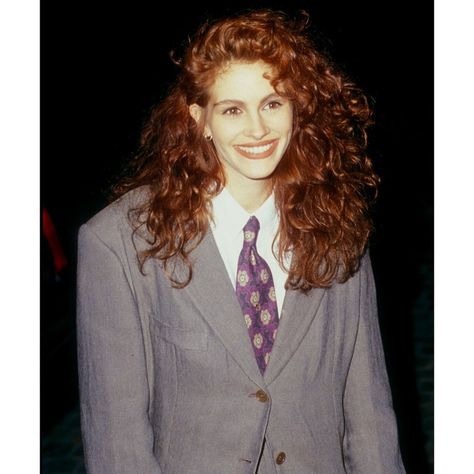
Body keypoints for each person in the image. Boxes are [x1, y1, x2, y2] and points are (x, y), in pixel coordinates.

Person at [77, 9, 406, 473]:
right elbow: (118, 447)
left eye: (273, 103)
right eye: (233, 109)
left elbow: (370, 418)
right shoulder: (119, 243)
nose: (257, 129)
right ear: (200, 119)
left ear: (297, 107)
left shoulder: (337, 225)